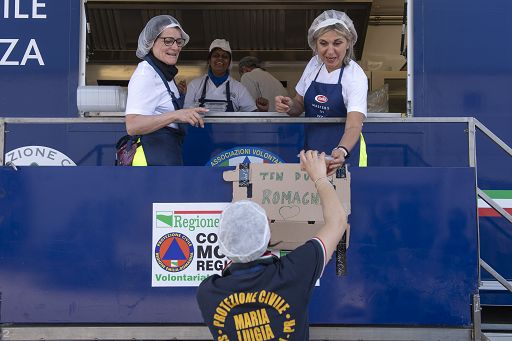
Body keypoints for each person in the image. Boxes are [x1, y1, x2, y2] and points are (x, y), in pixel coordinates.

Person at [197, 150, 348, 340]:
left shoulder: (208, 293)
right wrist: (319, 178)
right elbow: (338, 222)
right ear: (267, 235)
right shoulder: (294, 272)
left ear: (224, 240)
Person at [275, 10, 368, 173]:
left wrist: (341, 151)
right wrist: (289, 106)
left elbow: (354, 125)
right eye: (323, 43)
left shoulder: (355, 76)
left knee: (340, 197)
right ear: (315, 44)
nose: (330, 51)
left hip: (342, 153)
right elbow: (299, 104)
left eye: (337, 43)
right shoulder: (314, 65)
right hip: (312, 152)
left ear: (348, 43)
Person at [124, 15, 208, 166]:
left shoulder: (163, 73)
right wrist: (176, 115)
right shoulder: (146, 74)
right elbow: (133, 125)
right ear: (151, 42)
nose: (175, 47)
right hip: (152, 158)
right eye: (168, 41)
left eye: (178, 41)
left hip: (167, 153)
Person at [184, 39, 268, 112]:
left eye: (224, 56)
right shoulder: (194, 85)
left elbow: (252, 113)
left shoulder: (239, 88)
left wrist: (262, 110)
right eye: (216, 55)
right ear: (209, 60)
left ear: (229, 63)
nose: (220, 58)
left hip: (230, 131)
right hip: (200, 131)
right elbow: (186, 112)